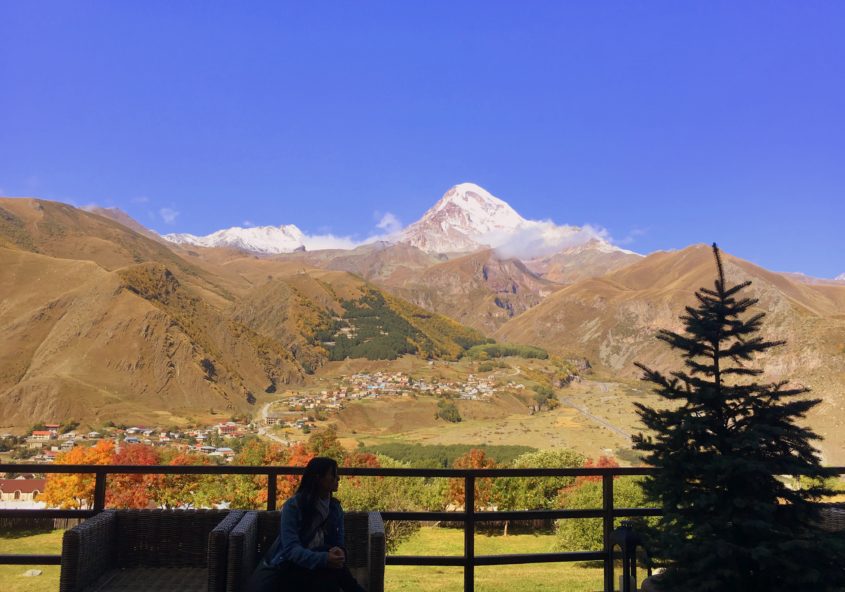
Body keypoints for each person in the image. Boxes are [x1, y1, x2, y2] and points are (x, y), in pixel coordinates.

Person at [246, 456, 367, 592]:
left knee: (328, 578)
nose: (337, 479)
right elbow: (291, 550)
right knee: (329, 577)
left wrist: (340, 552)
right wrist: (324, 558)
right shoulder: (294, 506)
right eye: (333, 475)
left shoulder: (334, 508)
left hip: (320, 568)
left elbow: (338, 542)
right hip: (289, 567)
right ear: (318, 478)